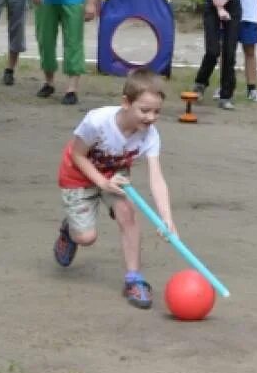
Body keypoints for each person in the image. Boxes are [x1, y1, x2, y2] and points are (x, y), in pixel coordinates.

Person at [53, 69, 176, 310]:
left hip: (115, 175)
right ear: (126, 103)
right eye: (145, 110)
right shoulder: (97, 121)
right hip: (78, 173)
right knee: (86, 238)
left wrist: (167, 219)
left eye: (157, 111)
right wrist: (100, 182)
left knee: (127, 213)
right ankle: (70, 230)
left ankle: (134, 279)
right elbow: (77, 155)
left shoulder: (150, 135)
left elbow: (157, 178)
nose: (151, 117)